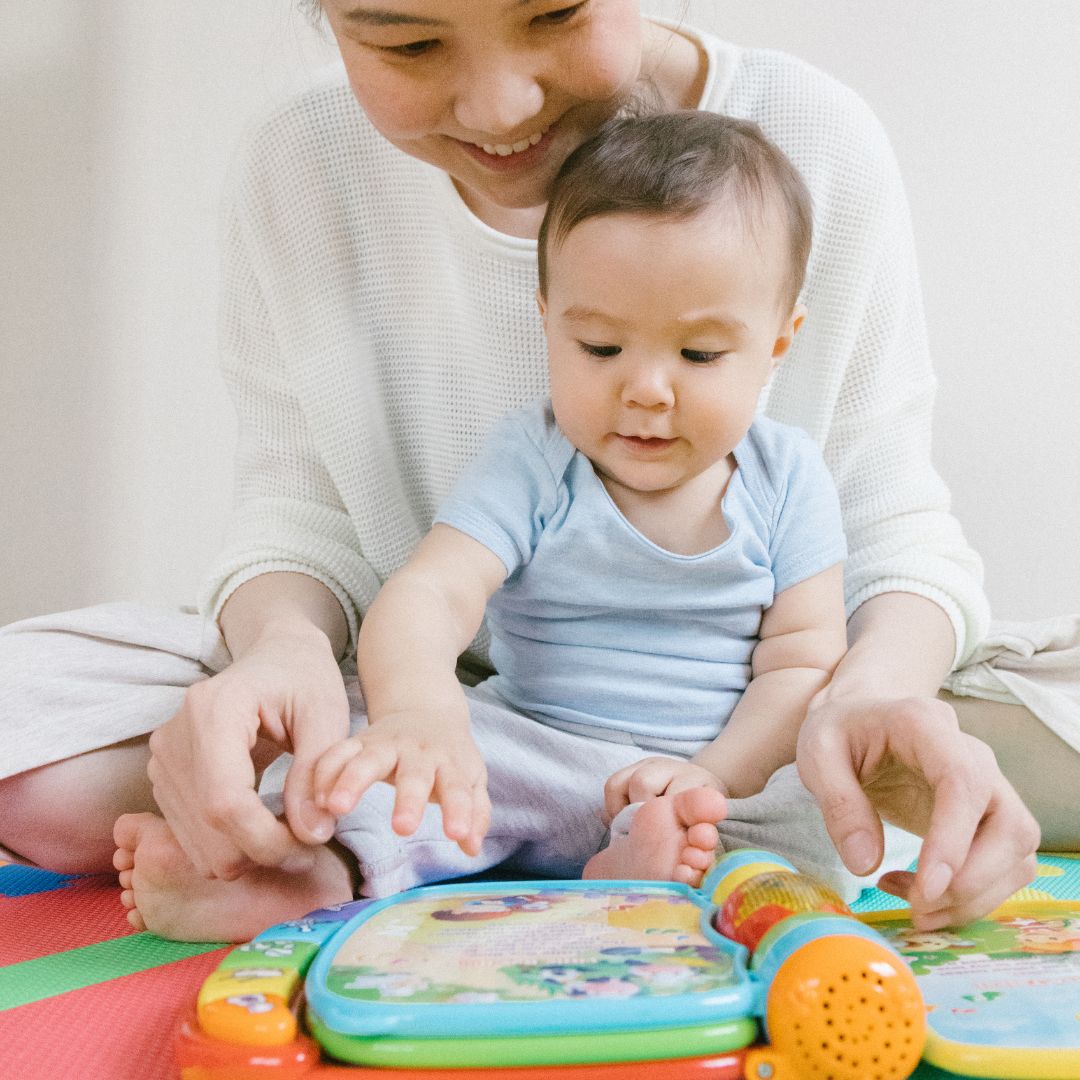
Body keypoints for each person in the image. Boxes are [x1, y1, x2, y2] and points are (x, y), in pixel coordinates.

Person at [0, 0, 1063, 941]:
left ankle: (665, 833)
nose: (501, 106)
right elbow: (316, 521)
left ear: (774, 338)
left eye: (554, 12)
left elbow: (878, 550)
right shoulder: (308, 171)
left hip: (765, 725)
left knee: (840, 776)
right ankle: (335, 842)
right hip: (462, 705)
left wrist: (871, 698)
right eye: (406, 38)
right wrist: (286, 656)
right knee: (32, 725)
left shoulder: (814, 146)